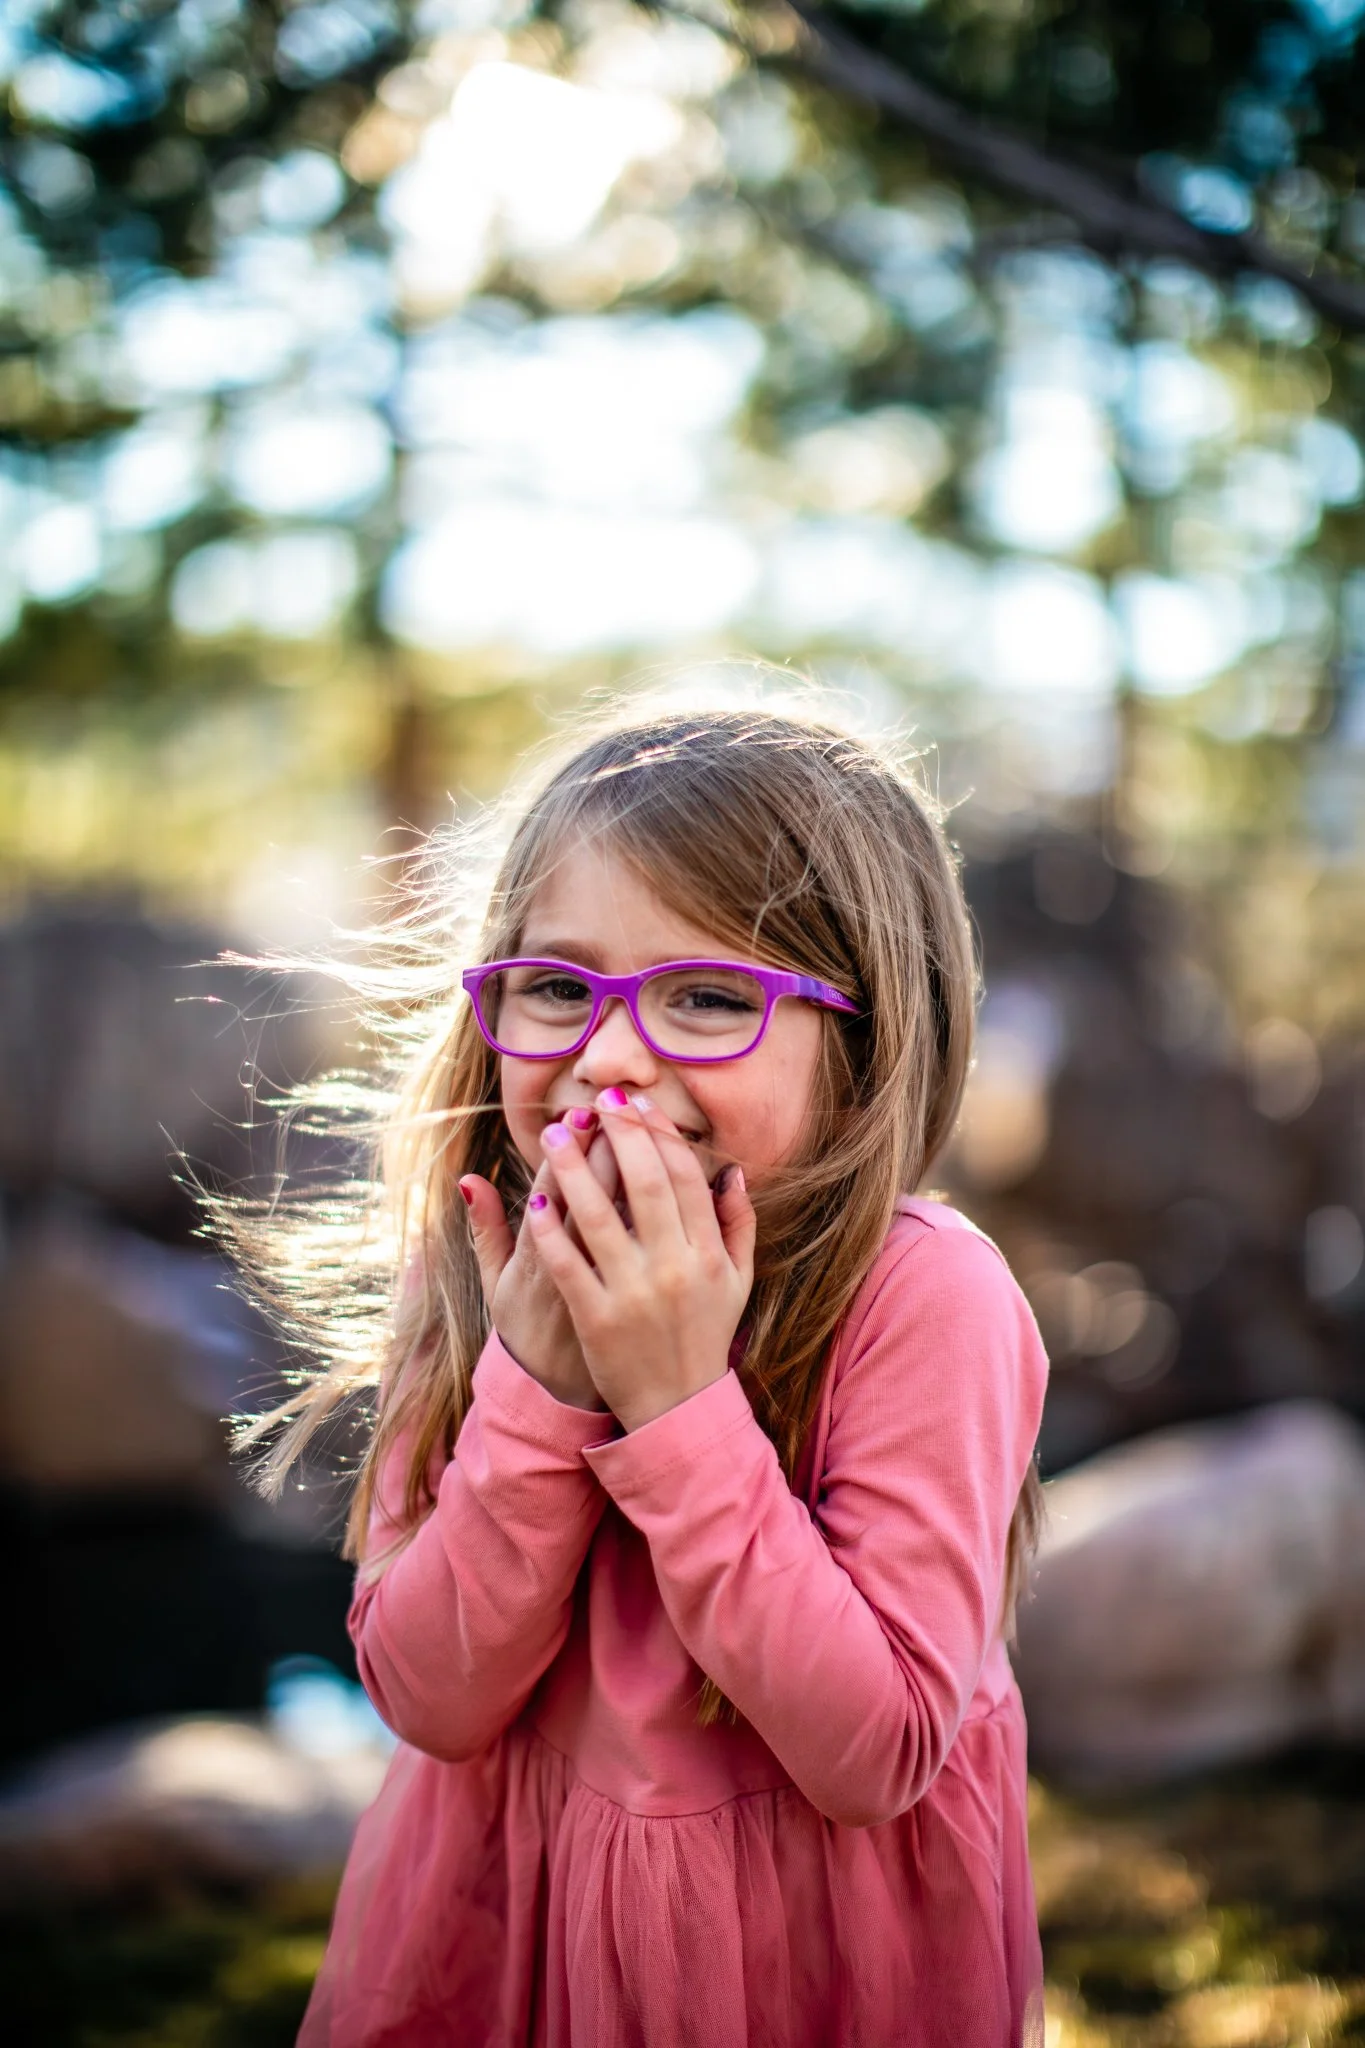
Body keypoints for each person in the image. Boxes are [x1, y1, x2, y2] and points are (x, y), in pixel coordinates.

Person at [244, 706, 1049, 2047]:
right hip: (507, 1942)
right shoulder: (483, 1262)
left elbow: (879, 1752)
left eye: (712, 999)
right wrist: (537, 1391)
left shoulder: (925, 1299)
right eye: (560, 986)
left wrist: (681, 1407)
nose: (611, 1057)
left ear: (864, 1046)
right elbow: (432, 1699)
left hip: (799, 1970)